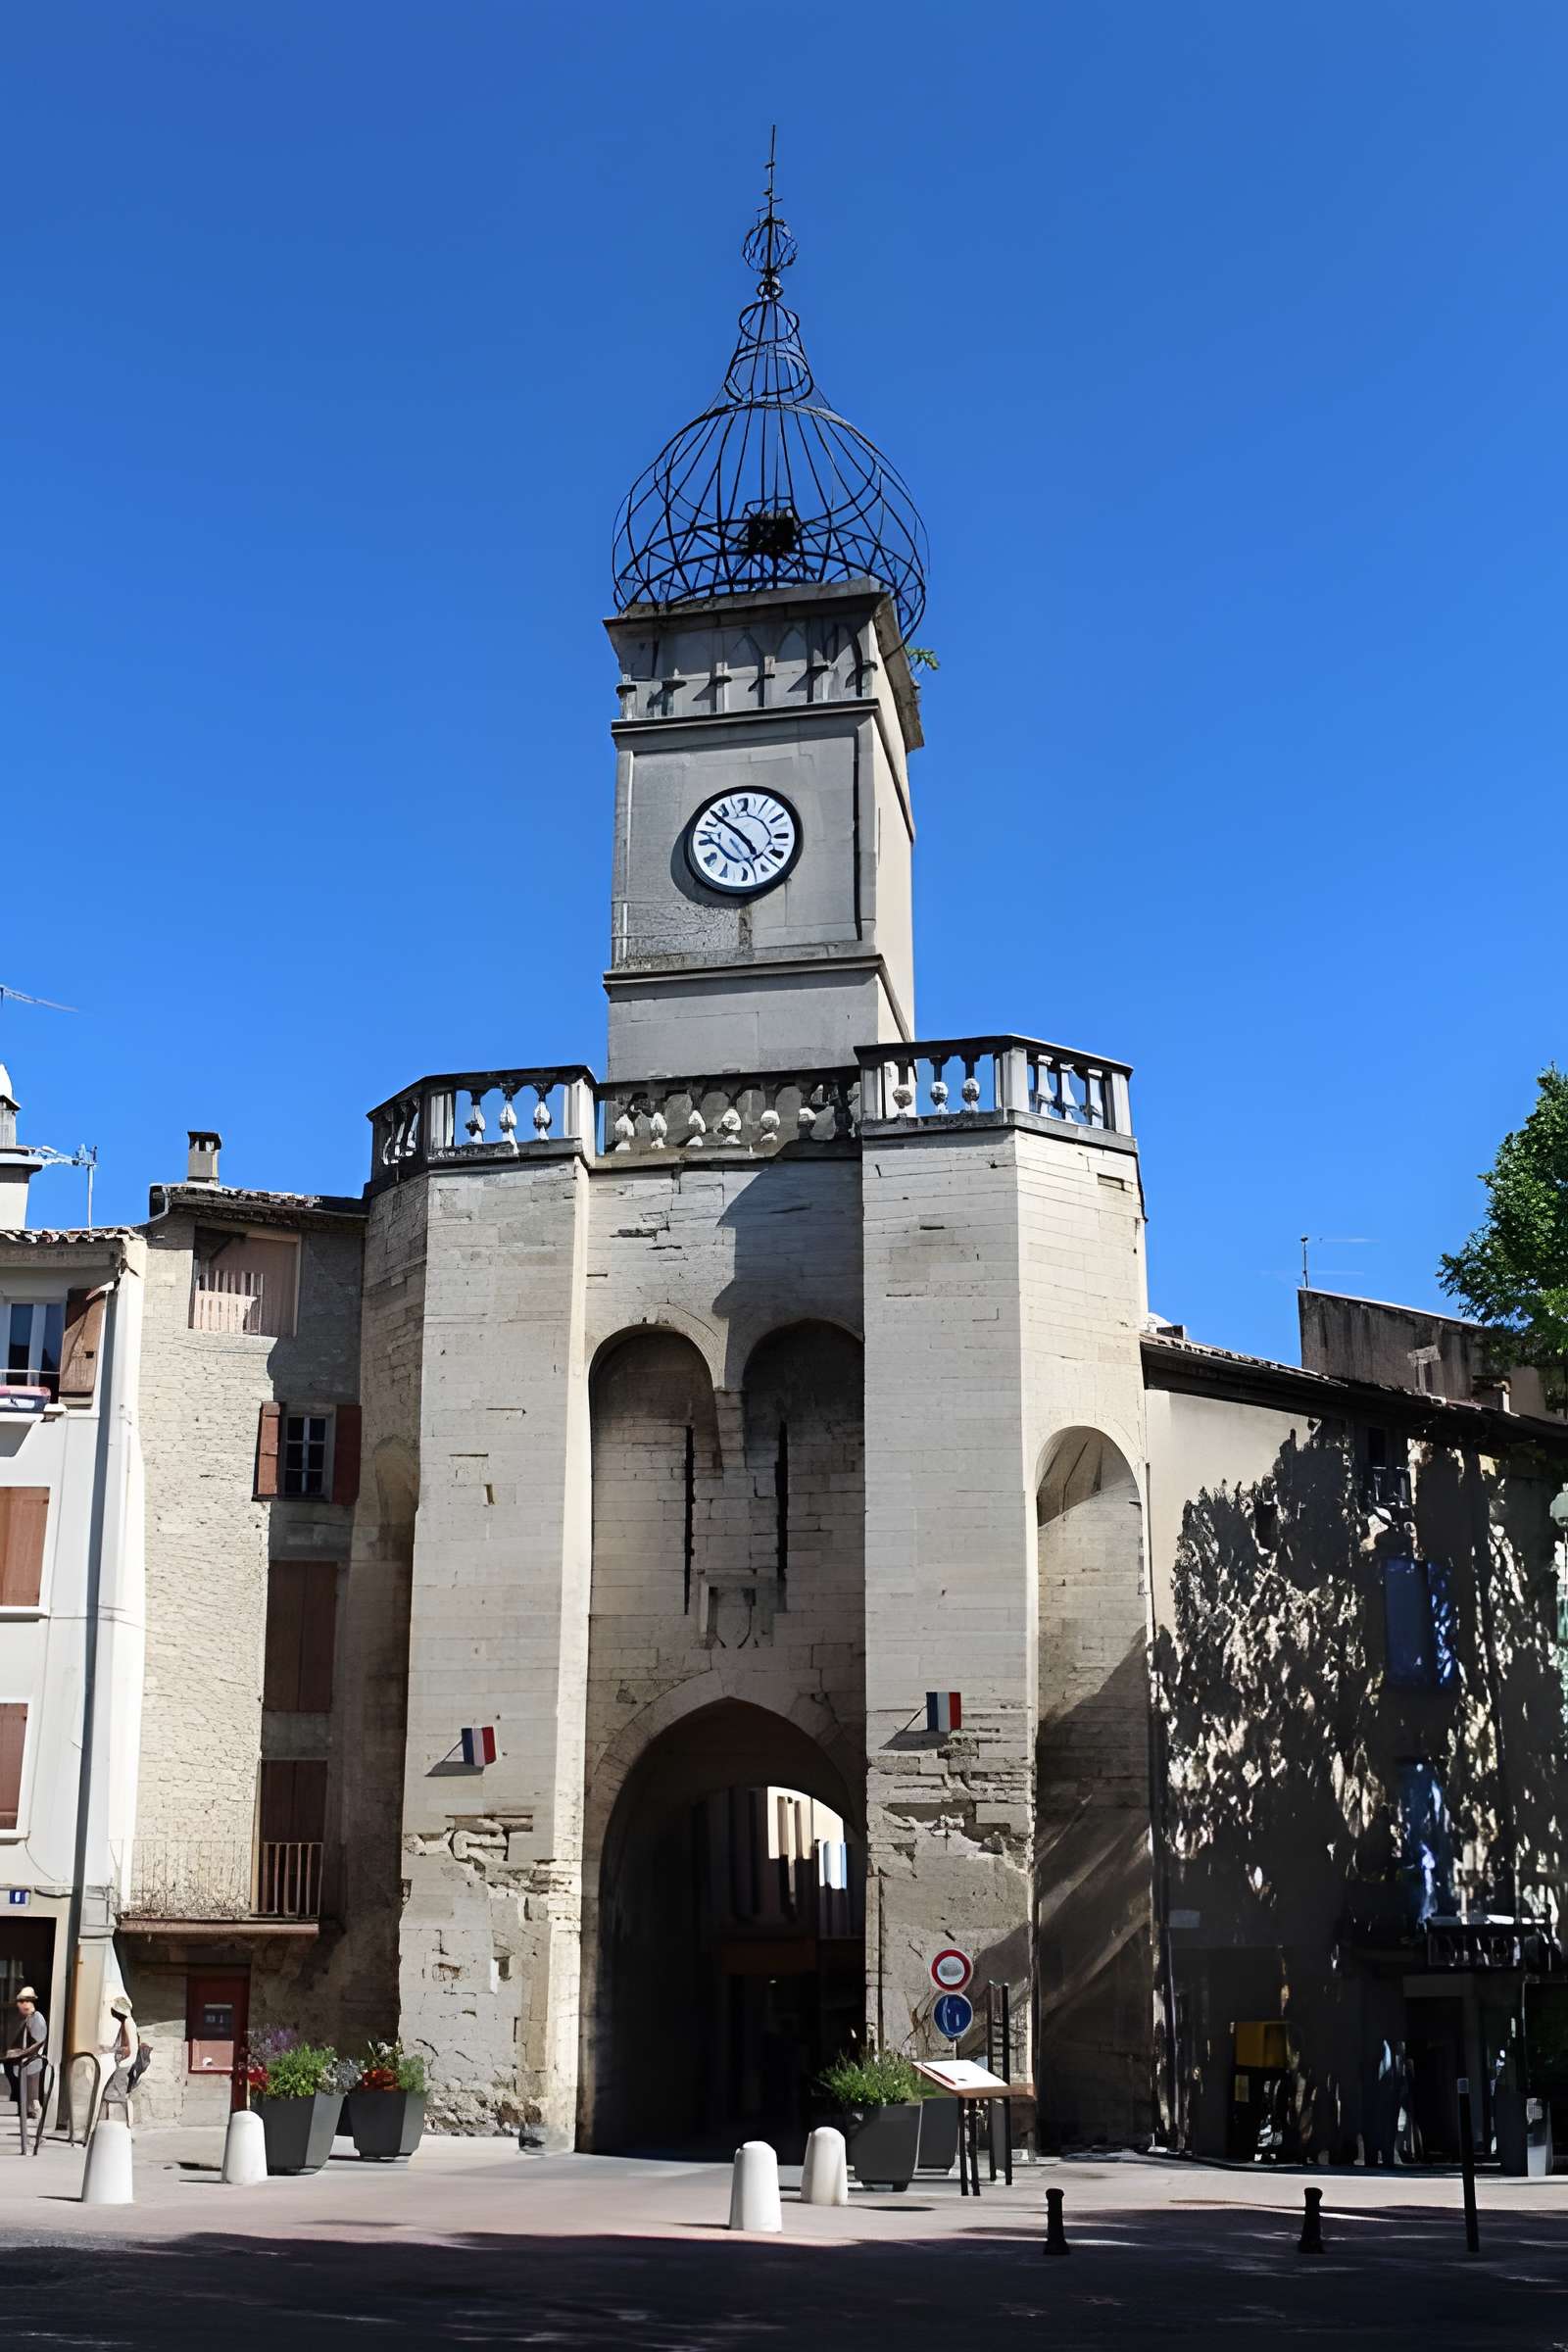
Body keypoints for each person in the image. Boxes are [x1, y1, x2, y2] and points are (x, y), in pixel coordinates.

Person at [4, 1986, 47, 2152]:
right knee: (29, 2102)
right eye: (20, 2001)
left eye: (26, 2001)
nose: (22, 2004)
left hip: (32, 2066)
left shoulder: (37, 2019)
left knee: (33, 2101)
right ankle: (33, 2135)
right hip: (26, 2065)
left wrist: (20, 2053)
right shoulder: (28, 2019)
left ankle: (39, 2133)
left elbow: (37, 2043)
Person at [100, 1994, 139, 2124]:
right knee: (115, 2096)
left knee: (114, 2096)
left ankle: (122, 2125)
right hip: (124, 2064)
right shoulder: (126, 2023)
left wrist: (116, 2053)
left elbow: (130, 2048)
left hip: (125, 2065)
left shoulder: (128, 2023)